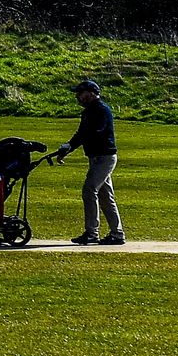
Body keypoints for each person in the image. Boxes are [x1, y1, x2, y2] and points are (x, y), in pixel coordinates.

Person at [56, 79, 123, 245]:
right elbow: (81, 134)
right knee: (105, 196)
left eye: (81, 93)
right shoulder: (88, 112)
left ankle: (92, 233)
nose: (78, 97)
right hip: (96, 158)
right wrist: (68, 148)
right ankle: (117, 234)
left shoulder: (102, 110)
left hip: (104, 158)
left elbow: (95, 132)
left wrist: (71, 146)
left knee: (89, 190)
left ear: (91, 94)